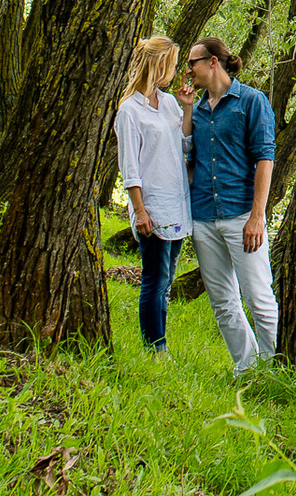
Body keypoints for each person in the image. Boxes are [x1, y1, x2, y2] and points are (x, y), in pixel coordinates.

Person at [185, 35, 277, 373]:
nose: (188, 70)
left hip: (241, 215)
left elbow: (265, 158)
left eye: (192, 62)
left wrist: (257, 217)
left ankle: (274, 369)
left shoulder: (251, 101)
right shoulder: (194, 111)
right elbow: (190, 161)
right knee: (223, 302)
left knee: (258, 297)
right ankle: (247, 369)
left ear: (212, 62)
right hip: (204, 217)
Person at [112, 36, 192, 355]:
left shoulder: (170, 103)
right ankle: (155, 347)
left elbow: (184, 145)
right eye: (171, 65)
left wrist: (187, 108)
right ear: (158, 66)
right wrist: (139, 209)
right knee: (155, 279)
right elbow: (130, 165)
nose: (174, 72)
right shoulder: (129, 110)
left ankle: (160, 343)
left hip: (177, 202)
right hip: (152, 205)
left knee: (167, 282)